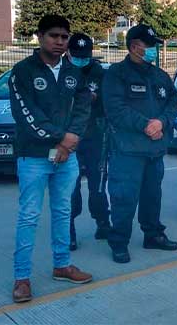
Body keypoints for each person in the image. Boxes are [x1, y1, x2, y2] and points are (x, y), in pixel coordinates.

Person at [9, 15, 93, 303]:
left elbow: (83, 109)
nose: (59, 42)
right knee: (29, 216)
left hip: (66, 157)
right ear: (39, 37)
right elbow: (26, 115)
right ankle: (21, 278)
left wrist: (70, 141)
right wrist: (62, 139)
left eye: (64, 37)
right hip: (33, 156)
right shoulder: (22, 72)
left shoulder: (73, 73)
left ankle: (62, 265)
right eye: (53, 36)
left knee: (62, 212)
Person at [102, 24, 177, 263]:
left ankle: (153, 235)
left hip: (155, 151)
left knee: (152, 197)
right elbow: (116, 110)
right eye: (150, 45)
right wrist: (147, 125)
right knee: (124, 199)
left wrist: (162, 123)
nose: (153, 49)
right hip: (128, 151)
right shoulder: (116, 74)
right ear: (135, 46)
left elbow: (173, 103)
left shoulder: (159, 75)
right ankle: (119, 242)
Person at [67, 34, 111, 251]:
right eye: (76, 56)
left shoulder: (100, 73)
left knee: (99, 185)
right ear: (68, 53)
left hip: (96, 136)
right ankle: (68, 230)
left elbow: (110, 102)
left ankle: (103, 222)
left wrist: (96, 99)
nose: (81, 60)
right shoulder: (61, 71)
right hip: (69, 138)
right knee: (69, 187)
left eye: (85, 56)